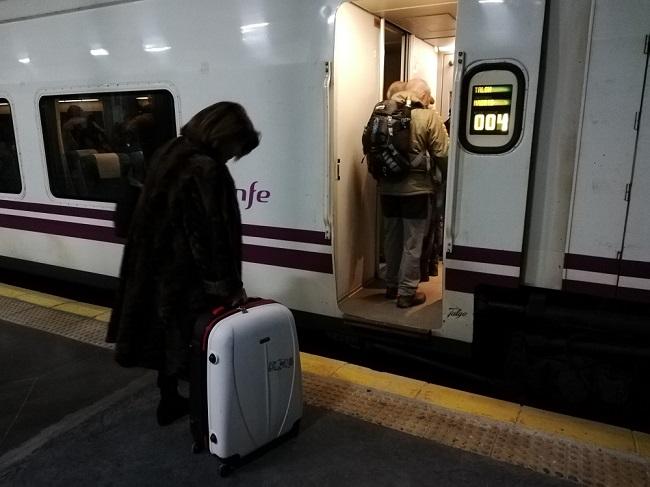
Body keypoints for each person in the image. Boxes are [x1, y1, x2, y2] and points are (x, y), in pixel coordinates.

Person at [106, 101, 260, 425]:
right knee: (197, 343)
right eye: (234, 148)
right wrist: (226, 286)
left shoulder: (172, 150)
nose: (232, 156)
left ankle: (169, 400)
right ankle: (206, 419)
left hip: (155, 266)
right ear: (223, 136)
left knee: (167, 339)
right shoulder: (205, 168)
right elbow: (206, 234)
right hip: (185, 276)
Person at [380, 79, 448, 308]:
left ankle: (390, 286)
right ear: (424, 95)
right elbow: (443, 153)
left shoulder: (383, 110)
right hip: (416, 190)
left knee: (392, 237)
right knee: (413, 241)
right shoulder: (428, 117)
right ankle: (407, 292)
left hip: (387, 188)